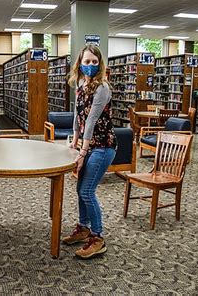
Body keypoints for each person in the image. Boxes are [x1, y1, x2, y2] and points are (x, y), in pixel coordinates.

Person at [62, 45, 117, 259]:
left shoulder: (102, 87)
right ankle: (83, 228)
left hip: (103, 145)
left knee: (87, 191)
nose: (90, 66)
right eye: (87, 62)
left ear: (100, 64)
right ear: (80, 63)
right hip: (88, 144)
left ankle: (98, 237)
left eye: (95, 62)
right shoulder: (81, 84)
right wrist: (74, 143)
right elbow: (78, 116)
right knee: (79, 189)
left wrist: (83, 152)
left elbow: (92, 120)